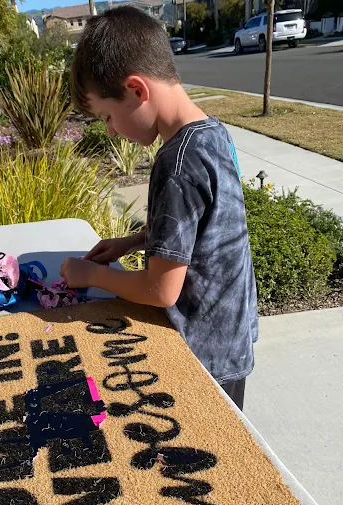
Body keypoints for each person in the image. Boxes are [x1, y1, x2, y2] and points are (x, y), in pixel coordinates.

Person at [60, 6, 258, 410]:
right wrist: (133, 242)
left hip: (201, 356)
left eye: (108, 116)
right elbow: (206, 225)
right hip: (229, 338)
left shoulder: (176, 163)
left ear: (136, 90)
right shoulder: (211, 131)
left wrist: (93, 275)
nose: (112, 130)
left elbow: (161, 290)